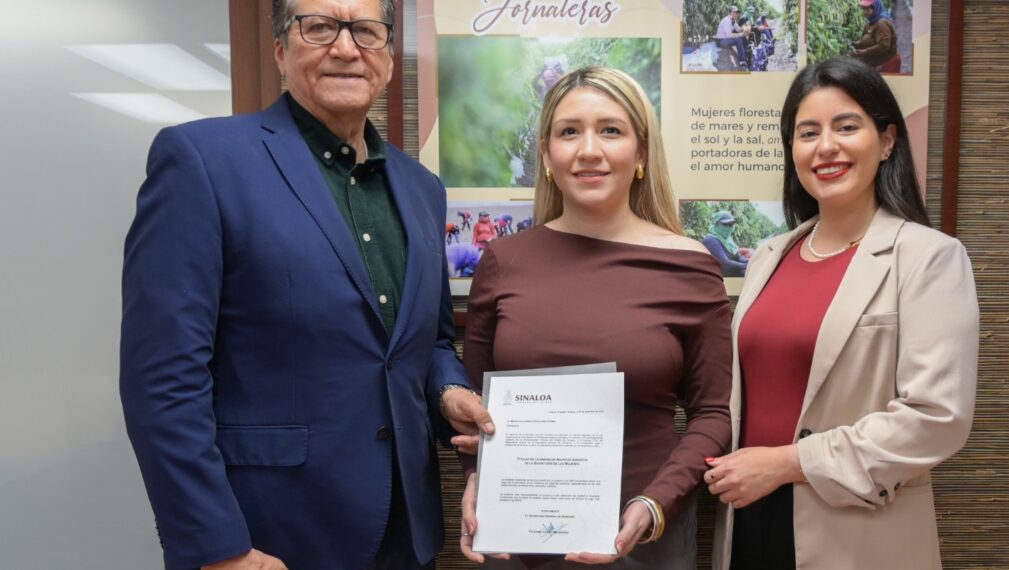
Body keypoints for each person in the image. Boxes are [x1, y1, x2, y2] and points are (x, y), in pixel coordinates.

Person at [119, 1, 494, 569]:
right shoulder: (203, 160)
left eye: (367, 31)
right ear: (280, 52)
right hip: (269, 534)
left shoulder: (422, 188)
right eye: (319, 27)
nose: (346, 49)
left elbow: (431, 341)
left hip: (406, 530)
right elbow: (162, 378)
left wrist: (447, 391)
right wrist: (219, 547)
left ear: (388, 58)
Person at [706, 57, 978, 569]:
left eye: (846, 127)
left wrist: (788, 463)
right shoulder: (769, 256)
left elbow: (937, 417)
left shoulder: (928, 257)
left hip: (856, 526)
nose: (826, 146)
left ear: (888, 140)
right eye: (808, 132)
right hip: (747, 519)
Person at [459, 66, 733, 569]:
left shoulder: (690, 266)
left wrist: (655, 505)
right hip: (517, 539)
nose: (589, 149)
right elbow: (473, 408)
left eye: (611, 130)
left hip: (646, 534)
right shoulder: (502, 261)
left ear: (642, 152)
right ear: (546, 155)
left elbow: (714, 415)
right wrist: (476, 477)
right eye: (569, 131)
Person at [852, 0, 900, 72]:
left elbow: (884, 45)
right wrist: (857, 44)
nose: (864, 12)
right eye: (863, 9)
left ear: (875, 8)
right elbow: (870, 39)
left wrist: (865, 51)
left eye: (867, 9)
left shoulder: (882, 23)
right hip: (876, 64)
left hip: (885, 65)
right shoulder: (871, 23)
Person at [702, 210, 749, 277]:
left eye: (731, 224)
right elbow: (726, 264)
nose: (728, 227)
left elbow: (738, 257)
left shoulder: (728, 240)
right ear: (716, 224)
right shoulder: (711, 241)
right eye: (725, 224)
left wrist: (750, 262)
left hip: (733, 273)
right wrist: (747, 266)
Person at [716, 6, 748, 70]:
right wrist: (741, 34)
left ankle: (744, 55)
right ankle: (742, 61)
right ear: (729, 12)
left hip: (726, 39)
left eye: (736, 12)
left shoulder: (733, 20)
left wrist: (745, 27)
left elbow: (738, 29)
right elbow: (729, 35)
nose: (735, 14)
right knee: (738, 39)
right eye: (733, 12)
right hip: (721, 41)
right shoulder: (726, 20)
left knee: (741, 38)